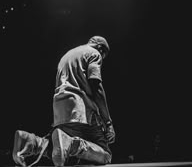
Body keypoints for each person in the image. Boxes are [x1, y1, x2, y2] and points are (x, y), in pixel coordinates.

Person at [12, 36, 115, 167]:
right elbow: (96, 85)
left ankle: (31, 142)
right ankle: (74, 144)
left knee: (61, 146)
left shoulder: (67, 55)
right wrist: (108, 121)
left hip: (60, 107)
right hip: (81, 107)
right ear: (101, 49)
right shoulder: (94, 53)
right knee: (105, 154)